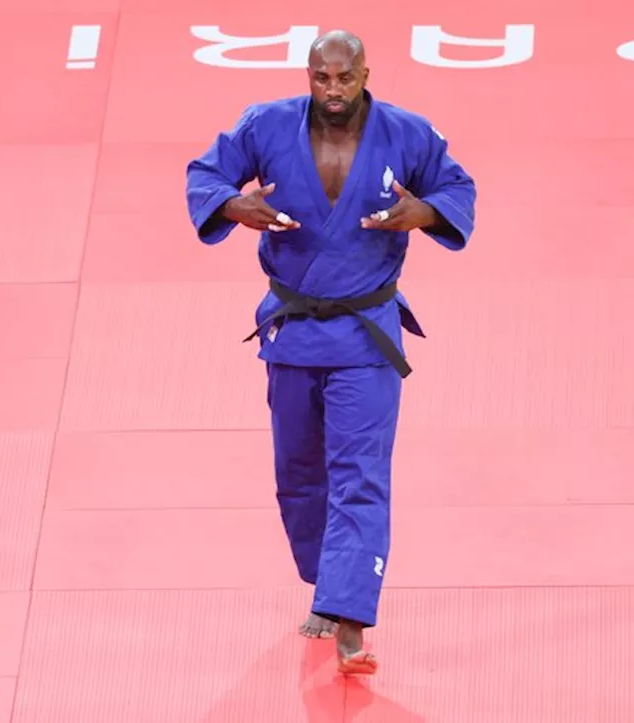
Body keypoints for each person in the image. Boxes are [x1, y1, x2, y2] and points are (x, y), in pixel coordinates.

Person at [184, 29, 477, 676]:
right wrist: (236, 205)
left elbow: (457, 189)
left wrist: (422, 215)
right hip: (292, 329)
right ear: (308, 75)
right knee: (298, 473)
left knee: (359, 474)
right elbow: (204, 173)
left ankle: (349, 616)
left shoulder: (406, 132)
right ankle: (324, 580)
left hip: (366, 332)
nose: (334, 90)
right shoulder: (266, 126)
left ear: (365, 74)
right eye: (323, 78)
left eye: (346, 78)